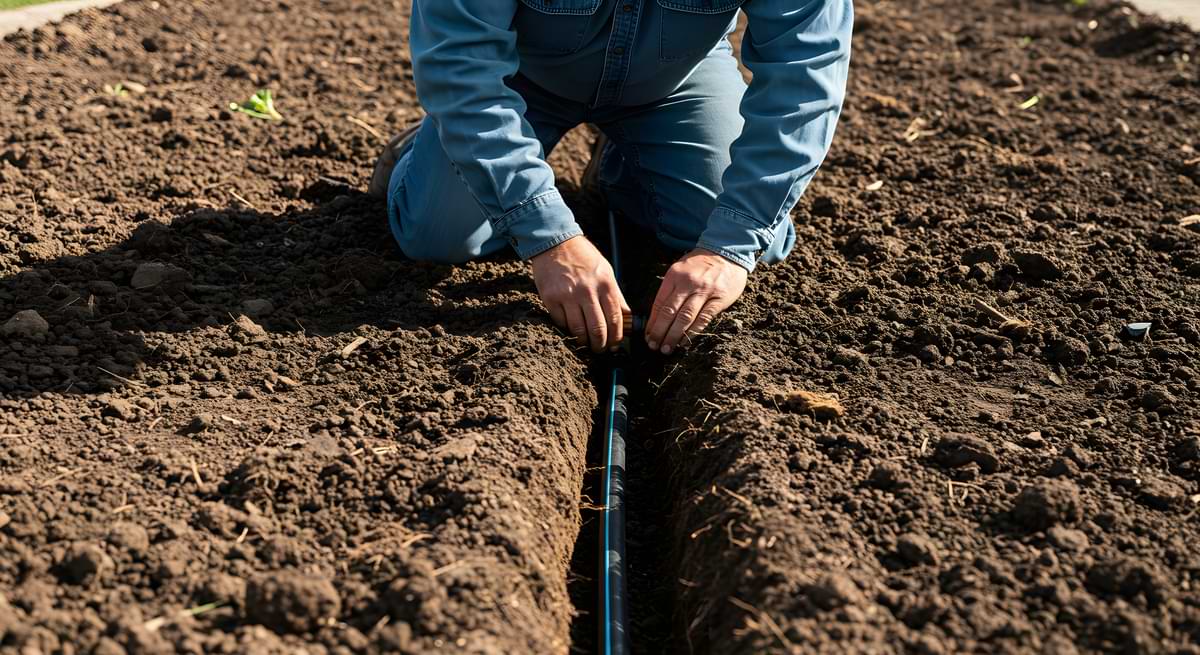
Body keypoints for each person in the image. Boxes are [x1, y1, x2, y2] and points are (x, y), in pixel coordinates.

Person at [369, 0, 852, 354]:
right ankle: (421, 150)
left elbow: (805, 80)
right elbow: (461, 67)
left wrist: (730, 246)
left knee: (750, 238)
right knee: (437, 235)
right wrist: (549, 238)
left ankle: (623, 164)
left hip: (674, 80)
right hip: (518, 76)